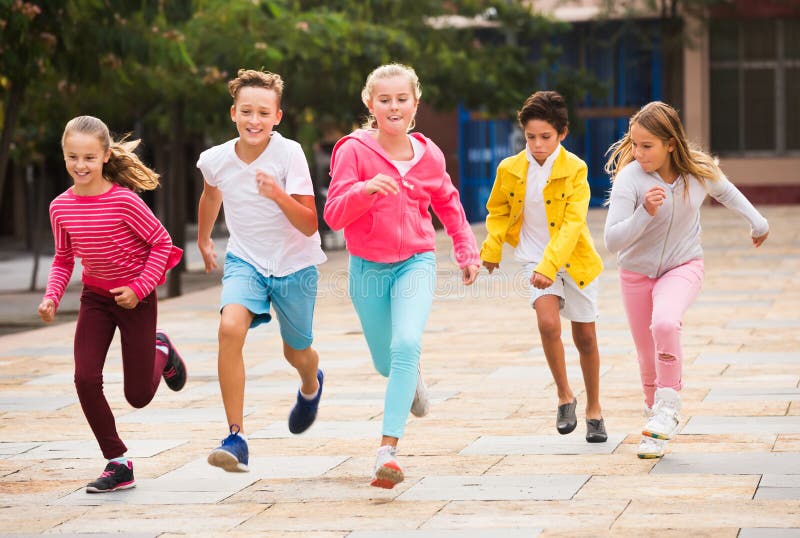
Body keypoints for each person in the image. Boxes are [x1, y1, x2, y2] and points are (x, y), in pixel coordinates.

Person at [324, 63, 480, 489]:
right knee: (385, 361)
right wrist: (365, 189)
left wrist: (466, 250)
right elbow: (334, 215)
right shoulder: (352, 151)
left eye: (402, 99)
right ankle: (411, 378)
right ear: (369, 103)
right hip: (367, 269)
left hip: (416, 261)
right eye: (384, 99)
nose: (393, 106)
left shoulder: (429, 155)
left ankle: (386, 451)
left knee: (406, 343)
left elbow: (448, 203)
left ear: (415, 103)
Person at [603, 101, 769, 459]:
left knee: (664, 322)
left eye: (647, 146)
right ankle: (655, 426)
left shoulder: (698, 171)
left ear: (670, 144)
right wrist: (644, 214)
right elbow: (613, 240)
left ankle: (669, 406)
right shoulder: (630, 179)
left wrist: (758, 222)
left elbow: (727, 192)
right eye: (634, 144)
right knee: (646, 356)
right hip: (635, 273)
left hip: (684, 265)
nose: (638, 153)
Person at [38, 115, 186, 493]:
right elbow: (63, 258)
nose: (80, 165)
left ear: (105, 155)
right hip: (96, 300)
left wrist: (138, 288)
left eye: (89, 157)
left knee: (138, 396)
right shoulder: (60, 207)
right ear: (64, 155)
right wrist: (52, 296)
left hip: (137, 299)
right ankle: (117, 462)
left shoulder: (124, 201)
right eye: (73, 157)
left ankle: (161, 349)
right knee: (85, 378)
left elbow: (163, 244)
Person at [197, 69, 327, 473]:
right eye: (247, 111)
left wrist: (277, 194)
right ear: (233, 113)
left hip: (295, 265)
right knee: (229, 329)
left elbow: (309, 223)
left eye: (263, 113)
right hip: (245, 260)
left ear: (277, 117)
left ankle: (311, 384)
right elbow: (211, 193)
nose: (255, 120)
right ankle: (236, 437)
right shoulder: (215, 159)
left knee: (297, 352)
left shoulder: (289, 154)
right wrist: (204, 239)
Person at [481, 91, 607, 443]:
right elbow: (499, 211)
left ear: (563, 133)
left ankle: (594, 408)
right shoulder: (509, 169)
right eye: (530, 137)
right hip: (532, 259)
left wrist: (551, 266)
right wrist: (491, 248)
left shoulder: (576, 169)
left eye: (546, 137)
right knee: (547, 322)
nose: (537, 145)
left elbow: (572, 223)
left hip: (574, 260)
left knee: (585, 338)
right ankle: (565, 395)